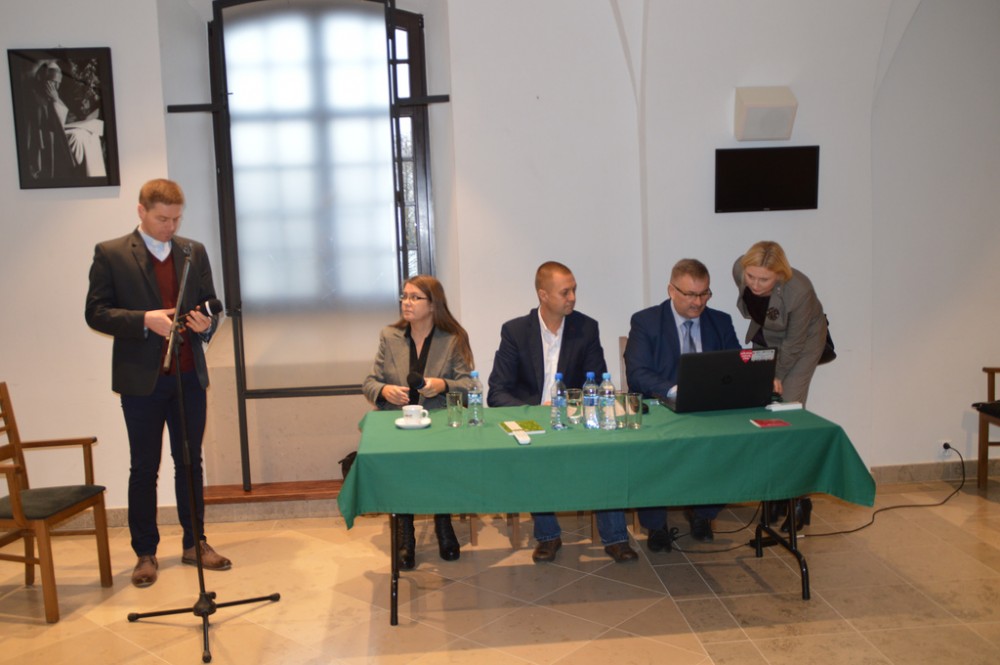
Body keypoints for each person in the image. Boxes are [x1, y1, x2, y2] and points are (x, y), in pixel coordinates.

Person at [85, 179, 232, 588]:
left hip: (188, 376)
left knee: (190, 463)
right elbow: (96, 313)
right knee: (144, 467)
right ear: (141, 211)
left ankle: (194, 542)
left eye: (176, 219)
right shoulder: (111, 253)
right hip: (141, 381)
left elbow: (208, 305)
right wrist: (143, 320)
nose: (170, 226)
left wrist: (204, 325)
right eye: (162, 218)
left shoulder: (192, 252)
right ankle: (145, 552)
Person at [488, 261, 638, 564]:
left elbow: (597, 384)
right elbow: (497, 393)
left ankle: (615, 537)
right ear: (543, 295)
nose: (572, 297)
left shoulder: (586, 328)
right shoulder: (515, 331)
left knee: (604, 451)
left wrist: (571, 408)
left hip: (574, 419)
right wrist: (535, 410)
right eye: (565, 292)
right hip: (532, 419)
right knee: (532, 455)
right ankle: (547, 535)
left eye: (574, 290)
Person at [624, 259, 741, 545]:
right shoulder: (646, 321)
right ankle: (656, 526)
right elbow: (637, 373)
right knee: (651, 451)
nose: (698, 302)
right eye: (690, 294)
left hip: (708, 409)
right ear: (671, 290)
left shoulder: (720, 321)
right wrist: (676, 390)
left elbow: (736, 365)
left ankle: (703, 513)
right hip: (660, 406)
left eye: (704, 294)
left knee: (731, 444)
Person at [362, 275, 475, 569]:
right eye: (404, 296)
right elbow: (370, 382)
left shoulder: (452, 339)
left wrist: (443, 385)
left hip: (437, 421)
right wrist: (384, 390)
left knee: (440, 463)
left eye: (414, 297)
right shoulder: (390, 336)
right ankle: (406, 532)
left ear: (433, 304)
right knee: (401, 469)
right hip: (398, 422)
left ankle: (443, 523)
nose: (406, 303)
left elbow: (469, 386)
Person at [733, 240, 828, 531]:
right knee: (759, 414)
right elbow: (755, 308)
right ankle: (774, 495)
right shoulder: (739, 268)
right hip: (766, 337)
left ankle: (799, 499)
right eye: (751, 277)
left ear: (780, 275)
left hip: (801, 345)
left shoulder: (799, 290)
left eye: (764, 279)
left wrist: (773, 375)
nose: (755, 284)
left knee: (787, 417)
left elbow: (794, 344)